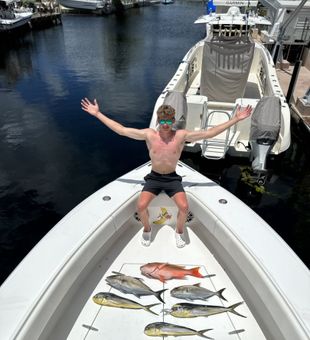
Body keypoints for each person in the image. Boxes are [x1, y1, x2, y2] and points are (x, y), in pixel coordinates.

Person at [81, 98, 252, 248]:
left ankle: (179, 231)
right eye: (162, 121)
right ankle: (147, 229)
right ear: (158, 120)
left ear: (173, 121)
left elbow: (208, 133)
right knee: (140, 206)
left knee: (184, 207)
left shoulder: (181, 135)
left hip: (171, 179)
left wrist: (236, 119)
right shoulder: (149, 135)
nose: (165, 125)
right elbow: (122, 130)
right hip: (154, 178)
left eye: (169, 121)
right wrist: (97, 114)